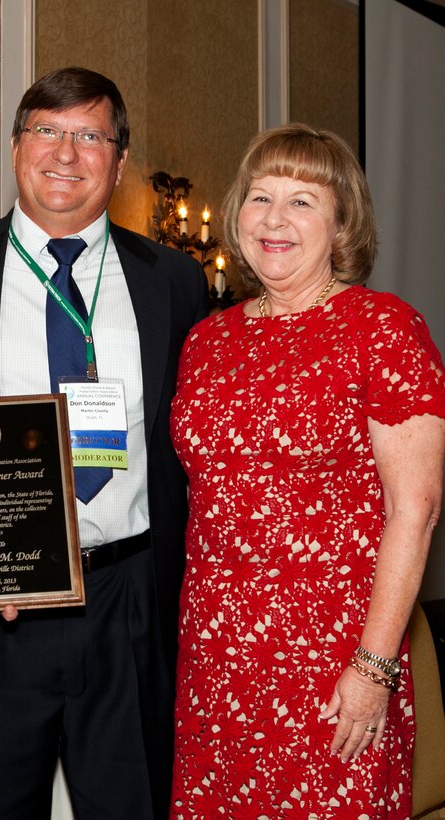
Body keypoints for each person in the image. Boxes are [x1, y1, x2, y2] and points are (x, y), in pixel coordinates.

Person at [0, 67, 208, 819]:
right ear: (15, 149)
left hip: (131, 604)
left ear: (120, 159)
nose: (66, 154)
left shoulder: (174, 280)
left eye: (89, 136)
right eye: (46, 131)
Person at [169, 123, 445, 817]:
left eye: (302, 201)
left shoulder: (383, 329)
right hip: (216, 659)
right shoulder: (207, 340)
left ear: (341, 221)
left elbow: (416, 510)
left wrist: (374, 668)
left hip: (332, 662)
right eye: (261, 197)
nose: (275, 219)